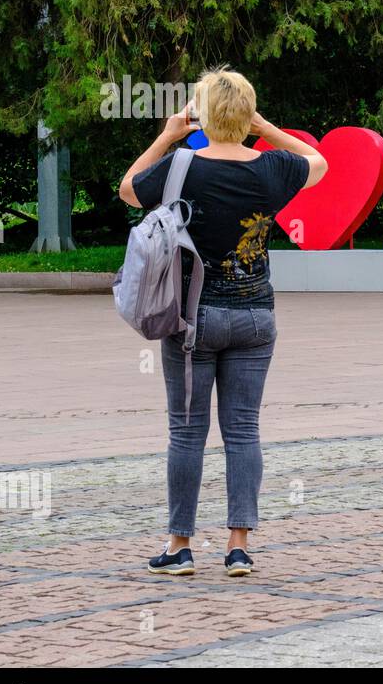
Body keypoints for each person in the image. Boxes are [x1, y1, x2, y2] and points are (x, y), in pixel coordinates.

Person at [119, 66, 327, 577]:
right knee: (244, 430)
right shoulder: (272, 168)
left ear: (201, 115)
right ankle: (237, 547)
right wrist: (265, 127)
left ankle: (179, 547)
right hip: (256, 315)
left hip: (192, 320)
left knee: (187, 433)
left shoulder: (180, 167)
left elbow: (127, 189)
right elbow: (318, 162)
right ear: (246, 115)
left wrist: (168, 135)